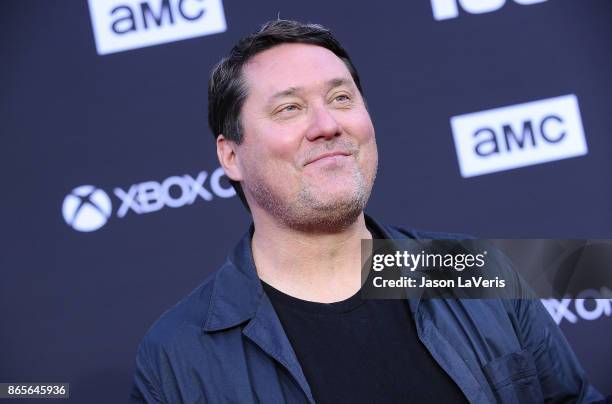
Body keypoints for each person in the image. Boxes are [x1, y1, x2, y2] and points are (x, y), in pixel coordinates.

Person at [130, 20, 603, 403]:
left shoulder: (476, 273)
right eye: (289, 108)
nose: (327, 125)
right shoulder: (176, 355)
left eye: (340, 98)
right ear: (230, 156)